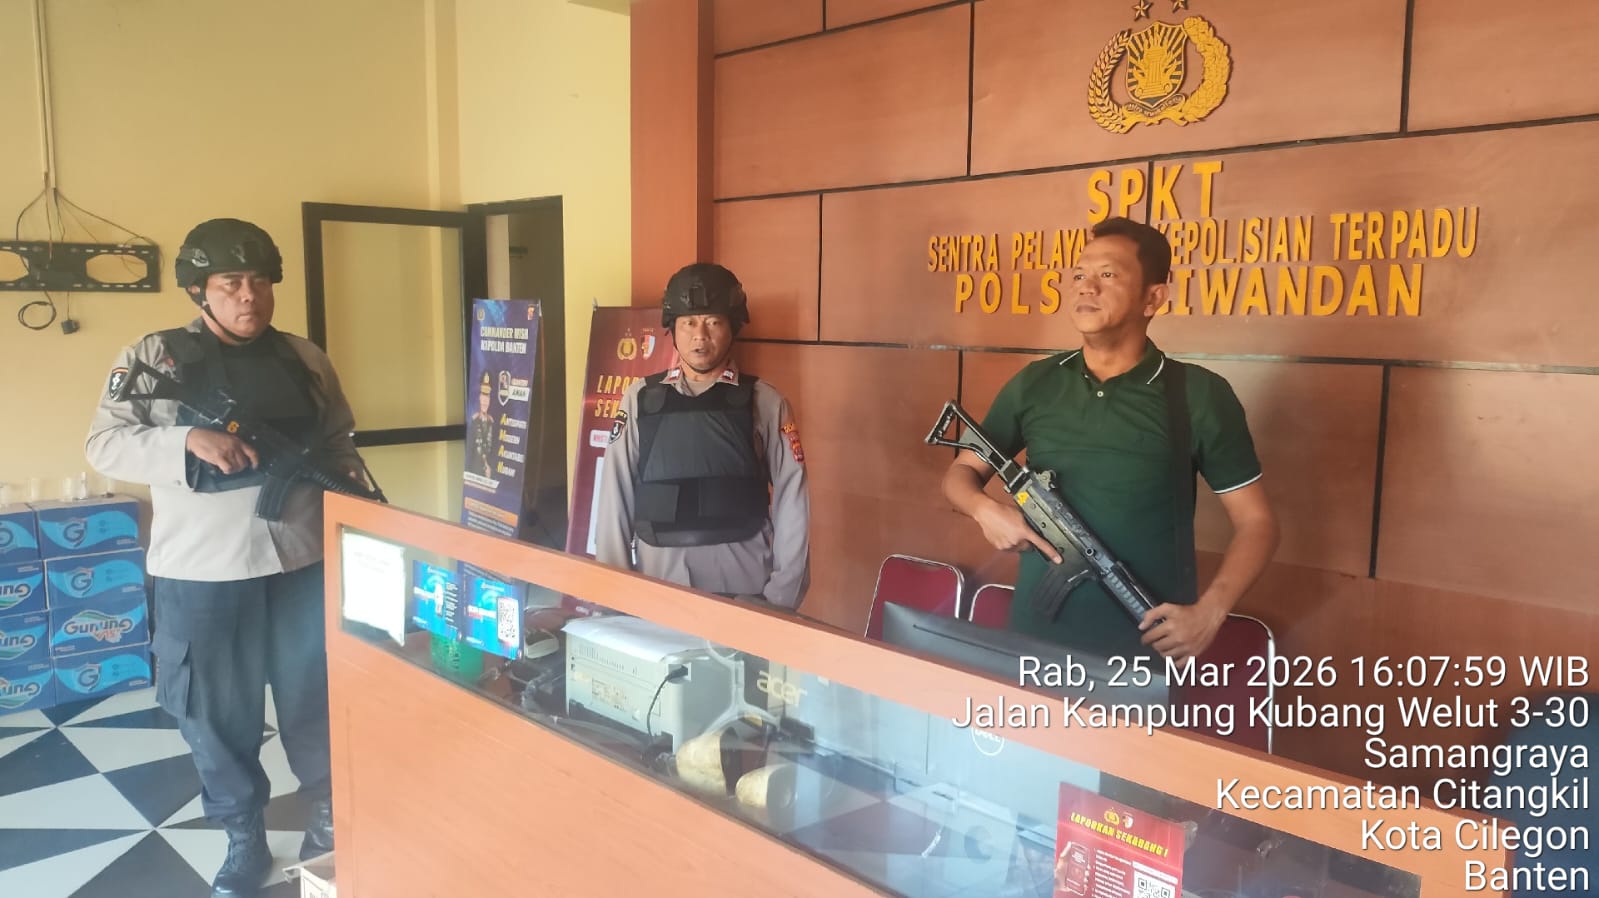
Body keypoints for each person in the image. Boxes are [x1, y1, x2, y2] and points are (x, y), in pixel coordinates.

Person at [85, 218, 362, 898]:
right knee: (215, 712)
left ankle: (329, 813)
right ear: (198, 290)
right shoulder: (154, 357)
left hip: (300, 562)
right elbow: (104, 444)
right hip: (203, 571)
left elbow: (338, 443)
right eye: (231, 283)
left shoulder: (304, 358)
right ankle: (242, 834)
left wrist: (360, 512)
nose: (248, 296)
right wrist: (185, 440)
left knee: (315, 698)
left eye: (260, 281)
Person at [942, 217, 1279, 662]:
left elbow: (1258, 523)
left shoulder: (1198, 395)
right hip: (1032, 642)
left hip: (1143, 653)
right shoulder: (1035, 383)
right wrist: (985, 510)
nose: (1086, 286)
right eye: (1079, 274)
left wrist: (1211, 611)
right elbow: (960, 473)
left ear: (1153, 298)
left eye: (1108, 274)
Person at [594, 263, 810, 610]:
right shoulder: (639, 400)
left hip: (744, 592)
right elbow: (614, 495)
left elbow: (792, 499)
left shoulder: (766, 402)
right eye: (689, 323)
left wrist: (781, 599)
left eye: (713, 322)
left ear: (733, 326)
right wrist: (614, 594)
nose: (700, 335)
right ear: (673, 328)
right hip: (657, 590)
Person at [467, 370, 497, 477]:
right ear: (479, 399)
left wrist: (491, 469)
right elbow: (469, 451)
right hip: (474, 473)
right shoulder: (474, 422)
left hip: (489, 475)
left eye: (487, 398)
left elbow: (494, 451)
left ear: (490, 400)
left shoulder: (492, 423)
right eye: (483, 397)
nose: (484, 402)